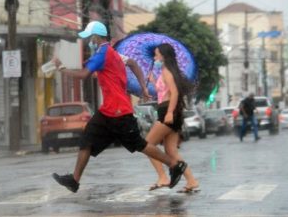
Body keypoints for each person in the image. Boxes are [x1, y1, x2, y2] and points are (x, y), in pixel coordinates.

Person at [51, 21, 186, 193]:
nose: (89, 42)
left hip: (120, 111)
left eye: (90, 38)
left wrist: (61, 69)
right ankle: (74, 180)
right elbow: (133, 64)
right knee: (86, 141)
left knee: (139, 144)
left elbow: (84, 74)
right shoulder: (112, 53)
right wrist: (143, 87)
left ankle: (174, 165)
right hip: (108, 111)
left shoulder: (102, 54)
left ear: (96, 37)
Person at [145, 43, 199, 193]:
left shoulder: (167, 70)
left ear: (163, 55)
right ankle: (192, 181)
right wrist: (154, 81)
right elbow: (164, 92)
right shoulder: (165, 71)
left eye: (156, 54)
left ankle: (163, 177)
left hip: (168, 111)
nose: (155, 57)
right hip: (169, 110)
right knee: (171, 150)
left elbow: (174, 93)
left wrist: (169, 112)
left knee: (147, 145)